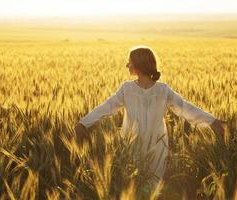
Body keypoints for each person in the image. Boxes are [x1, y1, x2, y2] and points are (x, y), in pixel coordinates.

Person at [75, 45, 227, 192]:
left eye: (130, 62)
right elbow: (106, 107)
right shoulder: (127, 89)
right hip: (132, 146)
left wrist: (211, 121)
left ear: (138, 65)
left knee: (151, 188)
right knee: (134, 187)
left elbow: (185, 108)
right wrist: (84, 123)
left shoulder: (162, 90)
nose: (127, 65)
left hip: (157, 147)